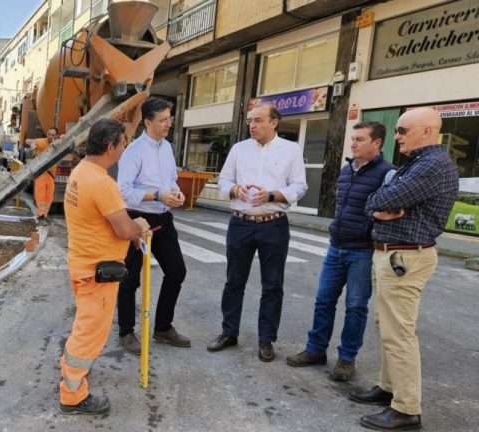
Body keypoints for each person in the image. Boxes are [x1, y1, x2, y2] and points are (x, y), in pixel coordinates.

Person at [351, 108, 458, 431]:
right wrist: (379, 205)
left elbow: (382, 199)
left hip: (405, 258)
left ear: (426, 131)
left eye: (402, 130)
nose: (396, 136)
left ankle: (406, 408)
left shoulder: (431, 166)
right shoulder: (418, 163)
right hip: (394, 254)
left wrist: (380, 204)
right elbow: (374, 202)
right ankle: (389, 388)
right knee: (387, 325)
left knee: (399, 333)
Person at [286, 122, 394, 381]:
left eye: (359, 139)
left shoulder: (387, 173)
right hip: (336, 248)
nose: (353, 144)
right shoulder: (347, 171)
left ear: (376, 143)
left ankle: (347, 359)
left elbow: (389, 211)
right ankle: (315, 350)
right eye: (352, 139)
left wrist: (370, 231)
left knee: (356, 307)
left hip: (363, 251)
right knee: (323, 301)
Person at [59, 118, 149, 415]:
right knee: (89, 333)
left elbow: (101, 221)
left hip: (83, 263)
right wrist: (139, 226)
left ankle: (74, 377)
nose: (125, 149)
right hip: (97, 272)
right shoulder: (101, 181)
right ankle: (72, 394)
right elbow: (124, 228)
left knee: (85, 327)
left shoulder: (80, 172)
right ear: (110, 146)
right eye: (123, 144)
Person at [207, 104, 307, 362]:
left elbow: (300, 186)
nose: (252, 125)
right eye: (251, 120)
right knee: (234, 281)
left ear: (274, 122)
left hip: (273, 224)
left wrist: (272, 195)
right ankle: (229, 332)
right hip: (240, 223)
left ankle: (266, 339)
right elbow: (223, 182)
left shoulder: (291, 150)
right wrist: (235, 190)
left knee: (272, 284)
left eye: (259, 120)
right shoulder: (239, 149)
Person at [116, 97, 191, 354]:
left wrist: (176, 193)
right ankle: (126, 332)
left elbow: (171, 179)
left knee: (177, 271)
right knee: (130, 278)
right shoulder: (133, 152)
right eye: (163, 120)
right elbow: (123, 192)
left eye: (169, 118)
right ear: (148, 122)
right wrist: (157, 195)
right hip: (137, 218)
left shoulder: (167, 148)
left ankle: (162, 328)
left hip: (163, 218)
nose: (168, 124)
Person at [33, 127, 58, 222]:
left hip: (51, 174)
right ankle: (40, 215)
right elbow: (29, 142)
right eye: (49, 134)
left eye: (53, 135)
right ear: (47, 134)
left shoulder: (57, 144)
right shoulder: (41, 142)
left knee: (49, 196)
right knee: (40, 195)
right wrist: (33, 147)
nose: (51, 136)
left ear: (55, 136)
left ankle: (44, 215)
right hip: (41, 173)